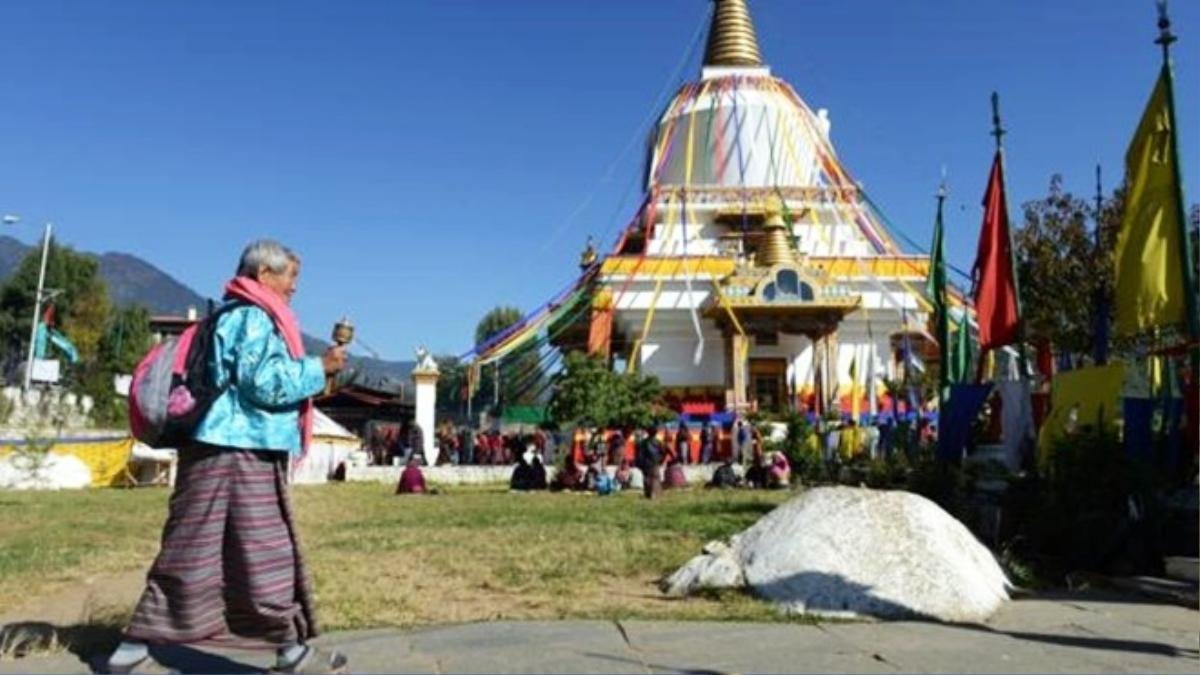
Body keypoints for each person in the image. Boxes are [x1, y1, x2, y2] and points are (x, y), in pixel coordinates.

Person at [108, 240, 348, 674]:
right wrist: (319, 369)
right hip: (234, 448)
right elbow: (262, 382)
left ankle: (287, 648)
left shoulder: (233, 316)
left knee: (238, 548)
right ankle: (135, 644)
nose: (294, 287)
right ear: (263, 275)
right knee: (228, 546)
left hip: (233, 447)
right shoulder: (253, 318)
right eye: (290, 276)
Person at [635, 427, 664, 499]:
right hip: (655, 462)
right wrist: (660, 460)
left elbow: (640, 454)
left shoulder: (644, 442)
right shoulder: (658, 442)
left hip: (646, 463)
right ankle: (655, 494)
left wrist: (640, 463)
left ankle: (648, 493)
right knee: (655, 478)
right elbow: (662, 452)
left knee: (647, 478)